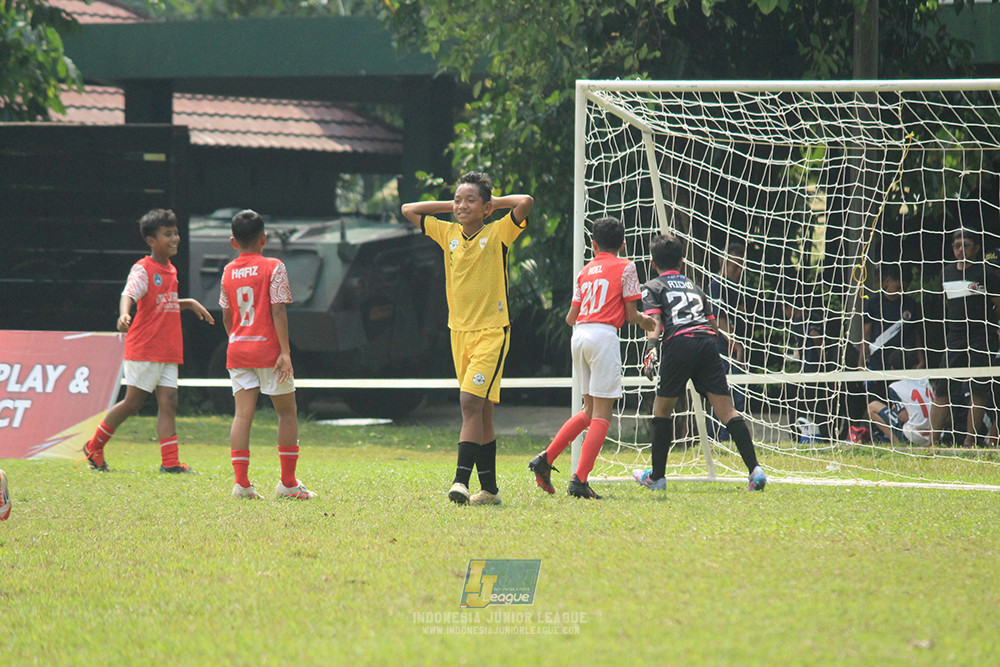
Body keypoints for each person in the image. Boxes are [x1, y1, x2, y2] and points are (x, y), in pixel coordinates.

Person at [401, 171, 533, 506]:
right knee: (483, 411)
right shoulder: (448, 234)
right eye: (458, 200)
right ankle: (489, 490)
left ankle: (460, 482)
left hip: (492, 331)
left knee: (469, 403)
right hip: (458, 332)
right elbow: (408, 209)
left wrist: (489, 204)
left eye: (469, 200)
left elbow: (525, 202)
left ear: (487, 208)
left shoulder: (498, 231)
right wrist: (457, 204)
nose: (461, 206)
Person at [528, 217, 656, 499]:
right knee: (602, 415)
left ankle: (545, 460)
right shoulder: (626, 266)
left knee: (588, 411)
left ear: (593, 244)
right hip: (602, 337)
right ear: (623, 244)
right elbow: (633, 315)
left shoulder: (584, 271)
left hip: (580, 335)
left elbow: (570, 317)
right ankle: (579, 481)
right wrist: (648, 323)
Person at [82, 209, 214, 473]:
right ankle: (94, 446)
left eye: (175, 233)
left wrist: (187, 303)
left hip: (168, 348)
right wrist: (123, 313)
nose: (175, 238)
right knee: (133, 403)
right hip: (145, 347)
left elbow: (160, 304)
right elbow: (129, 293)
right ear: (151, 240)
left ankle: (171, 462)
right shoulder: (144, 268)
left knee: (170, 402)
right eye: (168, 234)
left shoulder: (171, 269)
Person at [633, 234, 766, 491]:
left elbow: (655, 322)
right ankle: (755, 469)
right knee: (728, 411)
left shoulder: (652, 286)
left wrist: (651, 349)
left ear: (652, 263)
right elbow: (714, 325)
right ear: (681, 262)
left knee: (662, 410)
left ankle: (657, 477)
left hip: (679, 343)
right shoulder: (695, 286)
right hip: (707, 343)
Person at [220, 210, 316, 500]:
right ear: (264, 239)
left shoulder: (227, 271)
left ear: (233, 242)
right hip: (269, 351)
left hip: (238, 349)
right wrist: (285, 352)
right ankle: (288, 483)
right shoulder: (274, 266)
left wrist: (237, 340)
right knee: (286, 413)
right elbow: (278, 310)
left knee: (242, 415)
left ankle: (242, 484)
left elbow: (227, 314)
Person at [929, 228, 1000, 447]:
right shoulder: (947, 272)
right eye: (956, 246)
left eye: (966, 245)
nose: (961, 250)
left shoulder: (986, 274)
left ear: (976, 248)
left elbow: (997, 304)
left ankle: (970, 440)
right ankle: (933, 441)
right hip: (955, 337)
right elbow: (949, 304)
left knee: (978, 389)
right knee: (943, 389)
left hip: (981, 336)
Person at [707, 241, 751, 438]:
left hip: (734, 348)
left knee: (737, 395)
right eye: (735, 266)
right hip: (721, 350)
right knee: (728, 395)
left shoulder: (738, 287)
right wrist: (735, 343)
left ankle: (729, 439)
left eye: (742, 266)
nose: (739, 270)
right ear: (723, 262)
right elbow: (718, 318)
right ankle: (721, 438)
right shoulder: (716, 285)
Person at [868, 350, 935, 446]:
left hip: (914, 437)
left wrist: (895, 411)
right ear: (915, 366)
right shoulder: (925, 381)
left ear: (892, 369)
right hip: (934, 434)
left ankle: (898, 444)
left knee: (872, 406)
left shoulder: (895, 387)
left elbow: (904, 417)